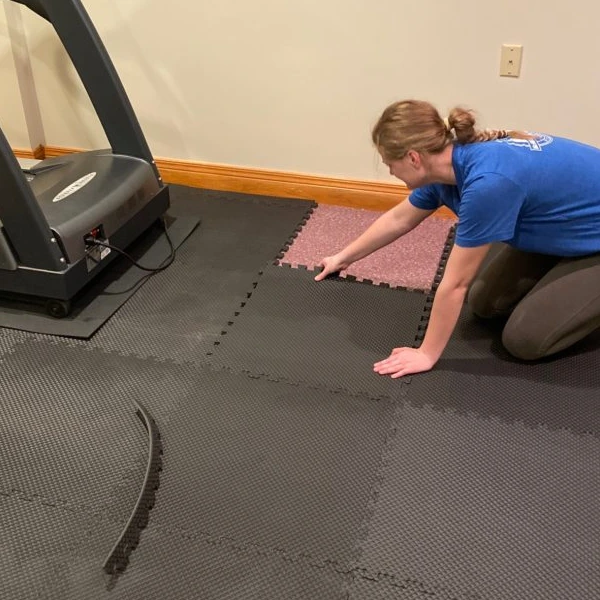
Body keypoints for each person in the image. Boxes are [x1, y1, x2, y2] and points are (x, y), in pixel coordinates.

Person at [315, 99, 600, 378]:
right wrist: (342, 258)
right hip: (570, 226)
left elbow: (455, 284)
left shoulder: (488, 183)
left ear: (414, 157)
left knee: (525, 340)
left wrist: (426, 353)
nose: (389, 170)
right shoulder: (446, 167)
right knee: (485, 305)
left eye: (389, 162)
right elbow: (399, 219)